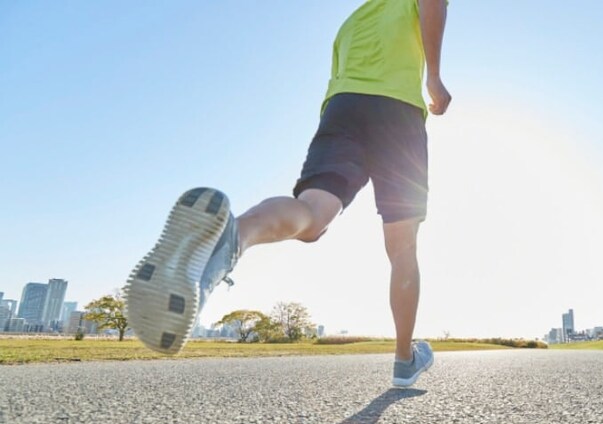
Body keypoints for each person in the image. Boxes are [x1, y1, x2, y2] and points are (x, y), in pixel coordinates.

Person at [124, 0, 451, 388]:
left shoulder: (350, 26)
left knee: (311, 215)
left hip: (341, 109)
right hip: (398, 112)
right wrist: (434, 76)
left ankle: (234, 237)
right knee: (402, 248)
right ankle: (404, 359)